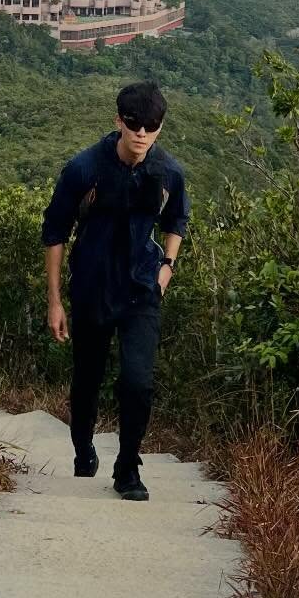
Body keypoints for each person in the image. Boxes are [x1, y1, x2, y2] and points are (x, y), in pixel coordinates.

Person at [40, 79, 190, 501]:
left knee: (138, 381)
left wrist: (167, 269)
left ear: (160, 127)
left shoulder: (168, 171)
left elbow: (177, 220)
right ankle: (83, 446)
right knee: (87, 379)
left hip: (142, 288)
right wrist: (55, 301)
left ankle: (127, 467)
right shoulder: (84, 168)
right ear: (118, 121)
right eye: (134, 123)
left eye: (152, 125)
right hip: (92, 285)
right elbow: (55, 232)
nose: (142, 133)